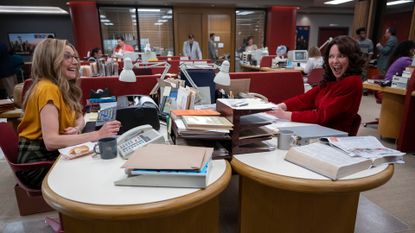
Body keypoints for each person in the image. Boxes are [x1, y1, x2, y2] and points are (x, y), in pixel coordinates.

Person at [17, 39, 121, 189]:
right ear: (50, 59)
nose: (75, 62)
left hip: (51, 154)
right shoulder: (47, 88)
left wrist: (77, 127)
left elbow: (79, 116)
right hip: (37, 163)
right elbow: (51, 141)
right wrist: (98, 135)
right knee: (98, 171)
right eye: (67, 56)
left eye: (75, 57)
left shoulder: (61, 87)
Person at [267, 36, 364, 134]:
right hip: (320, 130)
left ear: (351, 59)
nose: (334, 61)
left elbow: (322, 117)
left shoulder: (352, 82)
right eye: (331, 56)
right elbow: (306, 99)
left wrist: (285, 115)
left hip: (333, 137)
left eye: (341, 56)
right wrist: (280, 106)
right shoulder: (332, 80)